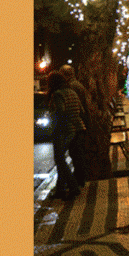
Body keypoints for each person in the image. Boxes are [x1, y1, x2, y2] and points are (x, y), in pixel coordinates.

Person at [47, 71, 83, 200]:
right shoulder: (72, 92)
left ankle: (73, 187)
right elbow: (81, 110)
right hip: (74, 130)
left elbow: (60, 111)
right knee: (61, 159)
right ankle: (60, 189)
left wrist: (53, 117)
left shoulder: (57, 94)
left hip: (62, 131)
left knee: (60, 160)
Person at [59, 65, 89, 187]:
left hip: (75, 126)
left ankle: (78, 180)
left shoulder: (71, 87)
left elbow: (78, 108)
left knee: (76, 154)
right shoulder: (77, 85)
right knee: (77, 154)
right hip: (80, 124)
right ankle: (79, 179)